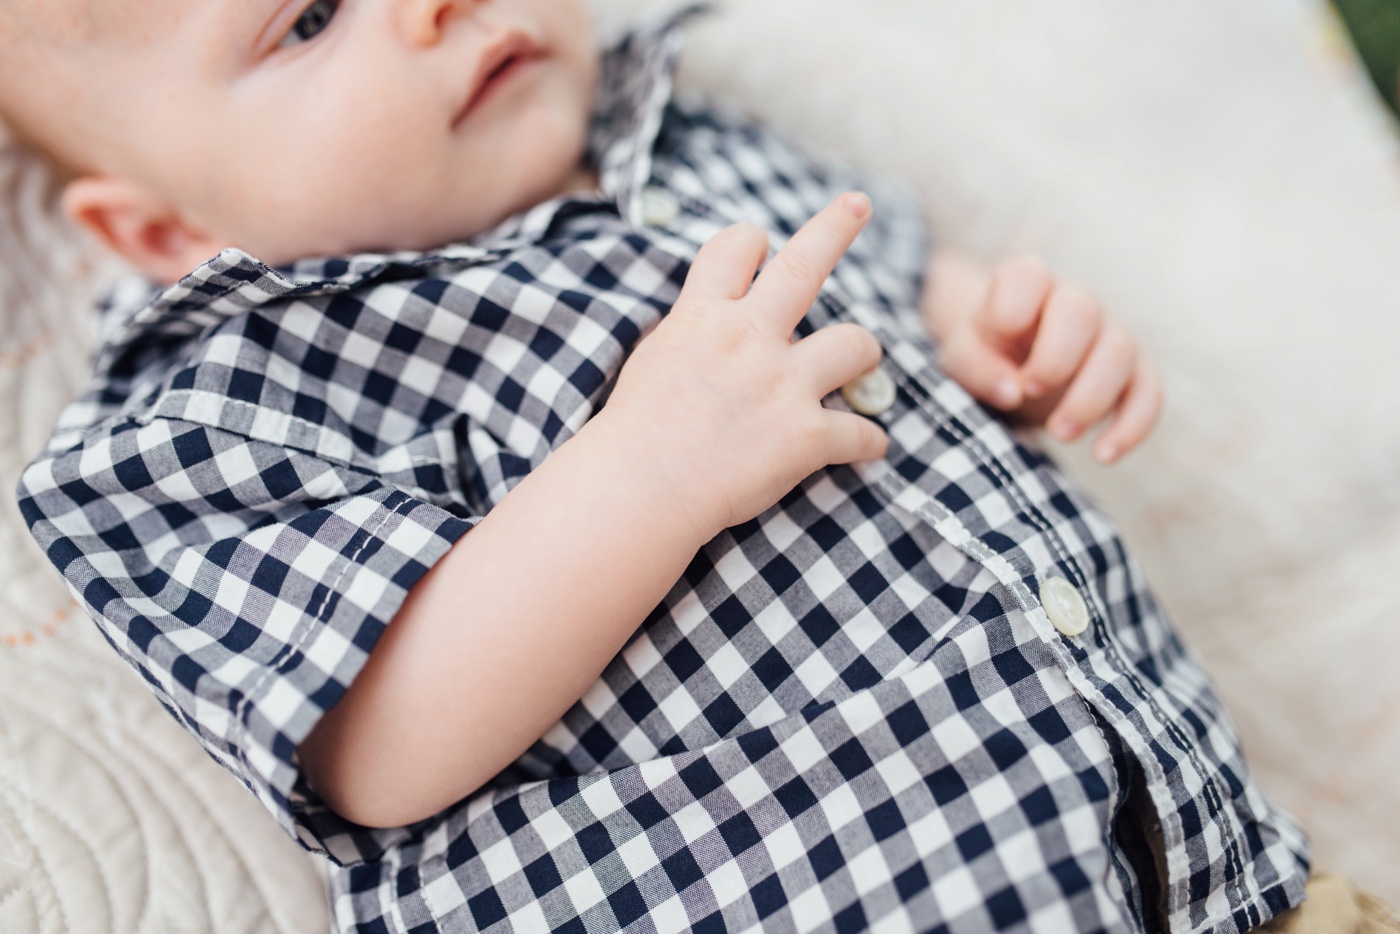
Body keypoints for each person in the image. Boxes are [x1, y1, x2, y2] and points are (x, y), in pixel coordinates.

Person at [3, 0, 1324, 930]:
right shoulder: (219, 414)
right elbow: (381, 740)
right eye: (310, 17)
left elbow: (895, 313)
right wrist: (652, 470)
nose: (432, 8)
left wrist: (992, 336)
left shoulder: (695, 135)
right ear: (167, 227)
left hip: (1207, 866)